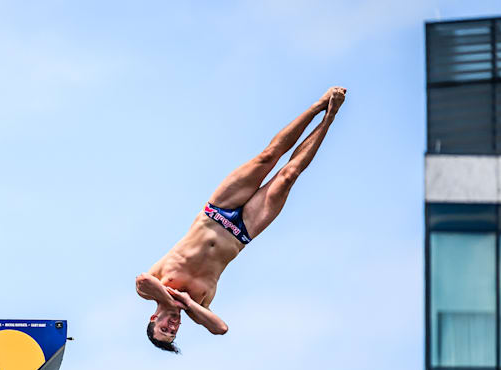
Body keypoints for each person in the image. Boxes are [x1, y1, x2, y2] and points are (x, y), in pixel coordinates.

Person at [136, 86, 346, 352]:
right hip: (242, 230)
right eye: (173, 332)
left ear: (153, 318)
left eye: (164, 328)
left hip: (216, 212)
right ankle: (330, 116)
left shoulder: (151, 290)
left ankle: (319, 104)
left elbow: (142, 280)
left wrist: (169, 299)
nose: (172, 326)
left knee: (268, 157)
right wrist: (187, 304)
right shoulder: (197, 306)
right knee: (288, 176)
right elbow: (220, 328)